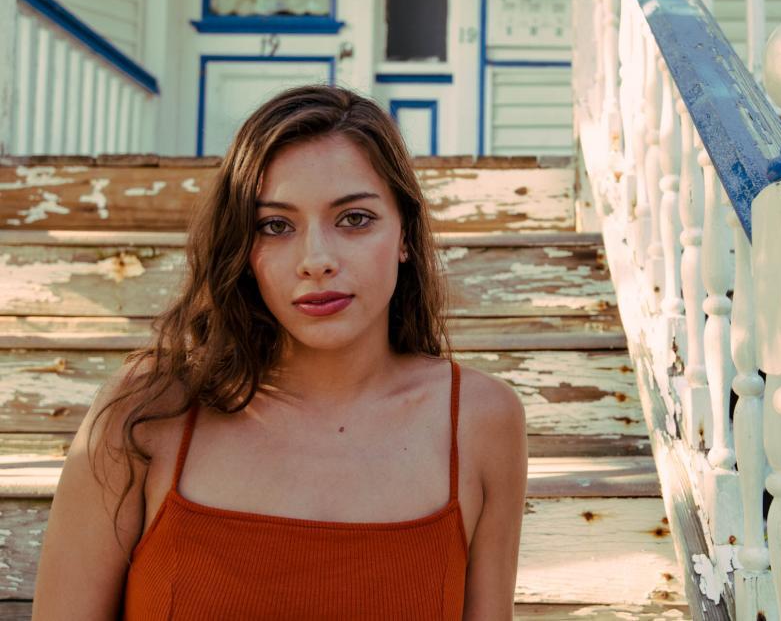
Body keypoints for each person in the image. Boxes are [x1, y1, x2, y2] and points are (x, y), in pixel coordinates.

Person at [32, 84, 529, 620]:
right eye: (275, 226)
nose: (316, 259)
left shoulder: (480, 421)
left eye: (354, 219)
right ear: (242, 250)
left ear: (405, 234)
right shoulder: (147, 410)